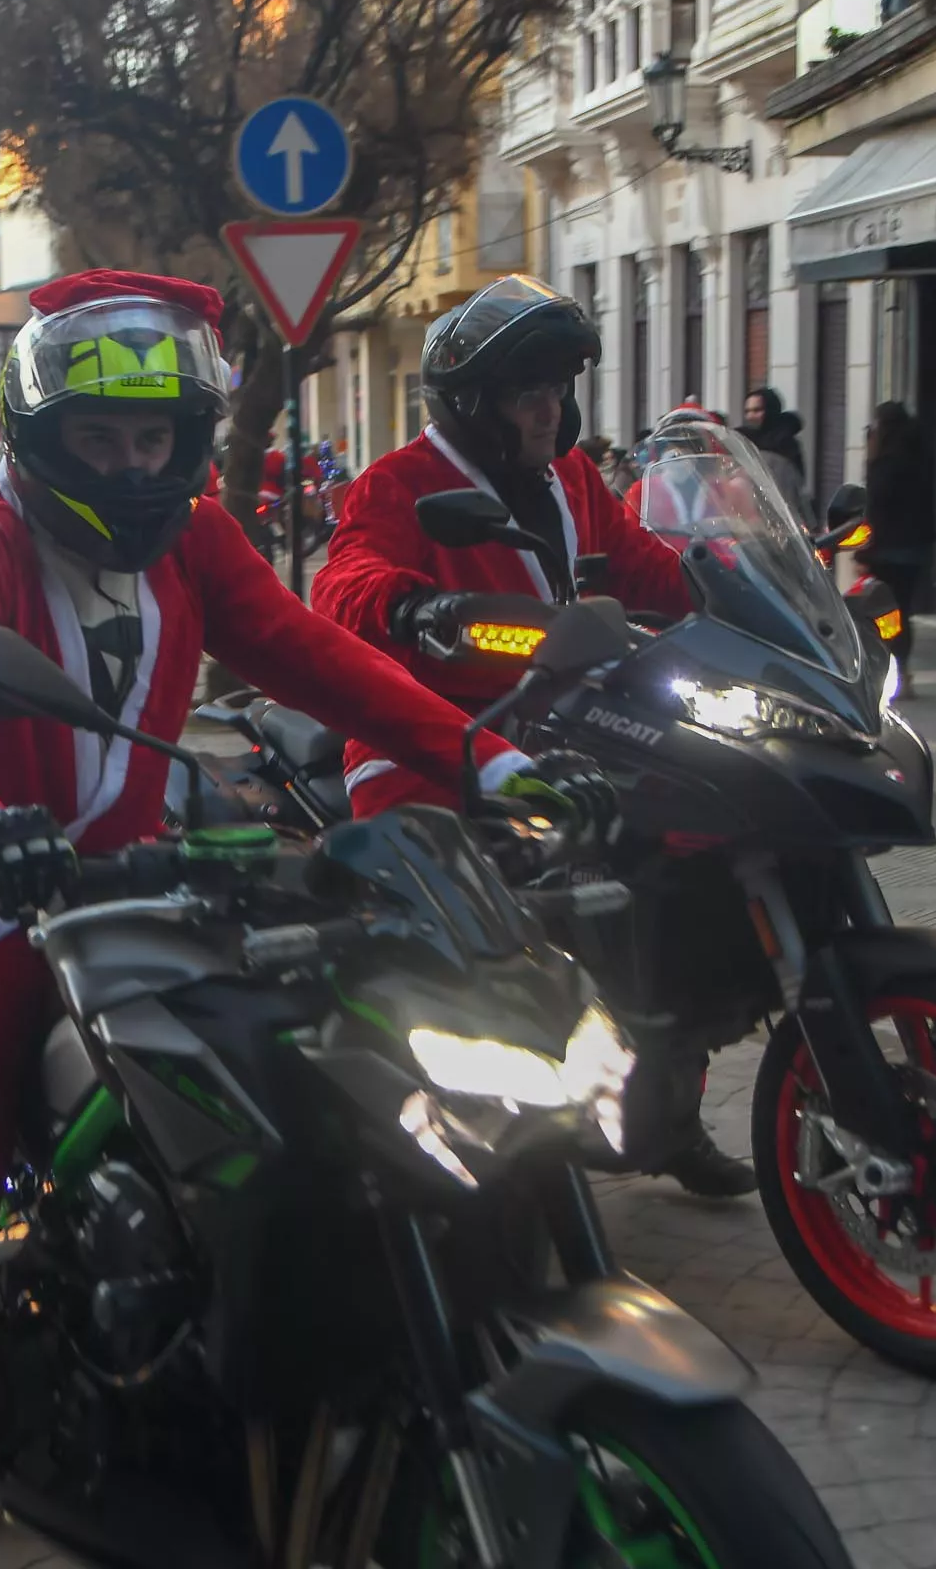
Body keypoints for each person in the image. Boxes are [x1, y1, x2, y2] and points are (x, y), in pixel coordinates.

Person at [0, 269, 614, 1567]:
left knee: (293, 1086)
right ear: (42, 433)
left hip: (134, 878)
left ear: (187, 439)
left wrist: (488, 762)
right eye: (99, 438)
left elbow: (313, 652)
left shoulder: (195, 536)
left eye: (154, 437)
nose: (130, 464)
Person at [310, 276, 754, 1203]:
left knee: (681, 876)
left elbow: (640, 564)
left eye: (557, 387)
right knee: (461, 918)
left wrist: (733, 585)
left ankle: (667, 1108)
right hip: (433, 742)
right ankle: (461, 1127)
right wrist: (410, 604)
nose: (549, 407)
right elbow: (341, 581)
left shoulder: (572, 477)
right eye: (528, 392)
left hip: (567, 734)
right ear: (475, 405)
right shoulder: (398, 484)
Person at [862, 402, 936, 696]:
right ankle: (903, 672)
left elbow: (876, 509)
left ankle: (886, 672)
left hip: (886, 550)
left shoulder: (885, 463)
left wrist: (863, 553)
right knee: (903, 612)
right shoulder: (920, 458)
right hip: (914, 548)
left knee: (881, 615)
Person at [742, 387, 811, 523]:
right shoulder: (741, 441)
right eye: (747, 411)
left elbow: (790, 490)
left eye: (757, 410)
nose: (751, 416)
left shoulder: (784, 444)